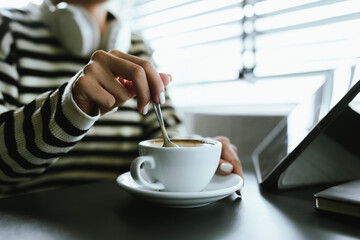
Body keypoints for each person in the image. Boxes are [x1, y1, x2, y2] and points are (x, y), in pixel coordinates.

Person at [0, 0, 242, 197]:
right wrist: (71, 109)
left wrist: (197, 158)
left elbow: (165, 133)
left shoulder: (136, 46)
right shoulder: (6, 30)